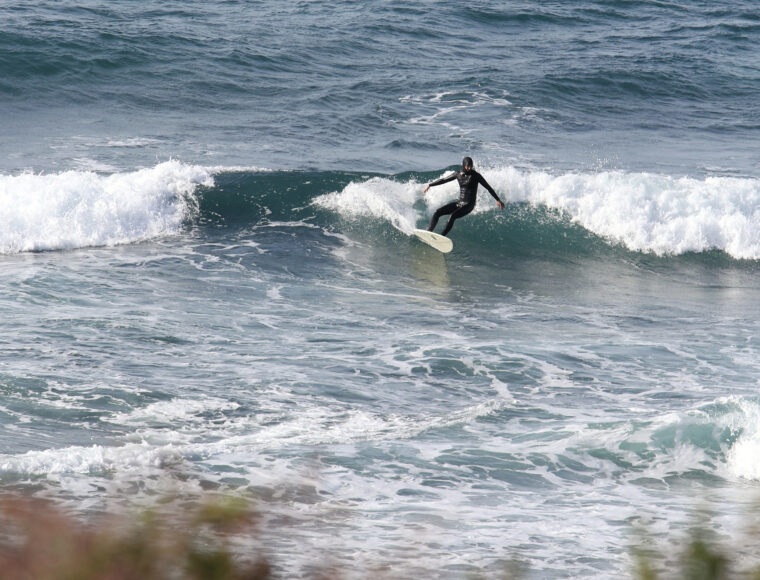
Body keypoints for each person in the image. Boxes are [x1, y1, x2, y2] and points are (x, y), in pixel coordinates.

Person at [423, 157, 505, 237]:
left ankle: (442, 237)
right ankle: (428, 232)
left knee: (453, 216)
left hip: (469, 205)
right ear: (463, 165)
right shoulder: (458, 174)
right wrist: (430, 185)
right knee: (437, 212)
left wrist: (498, 199)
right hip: (460, 203)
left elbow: (488, 187)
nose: (469, 168)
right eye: (467, 166)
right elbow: (444, 180)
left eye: (470, 166)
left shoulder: (476, 175)